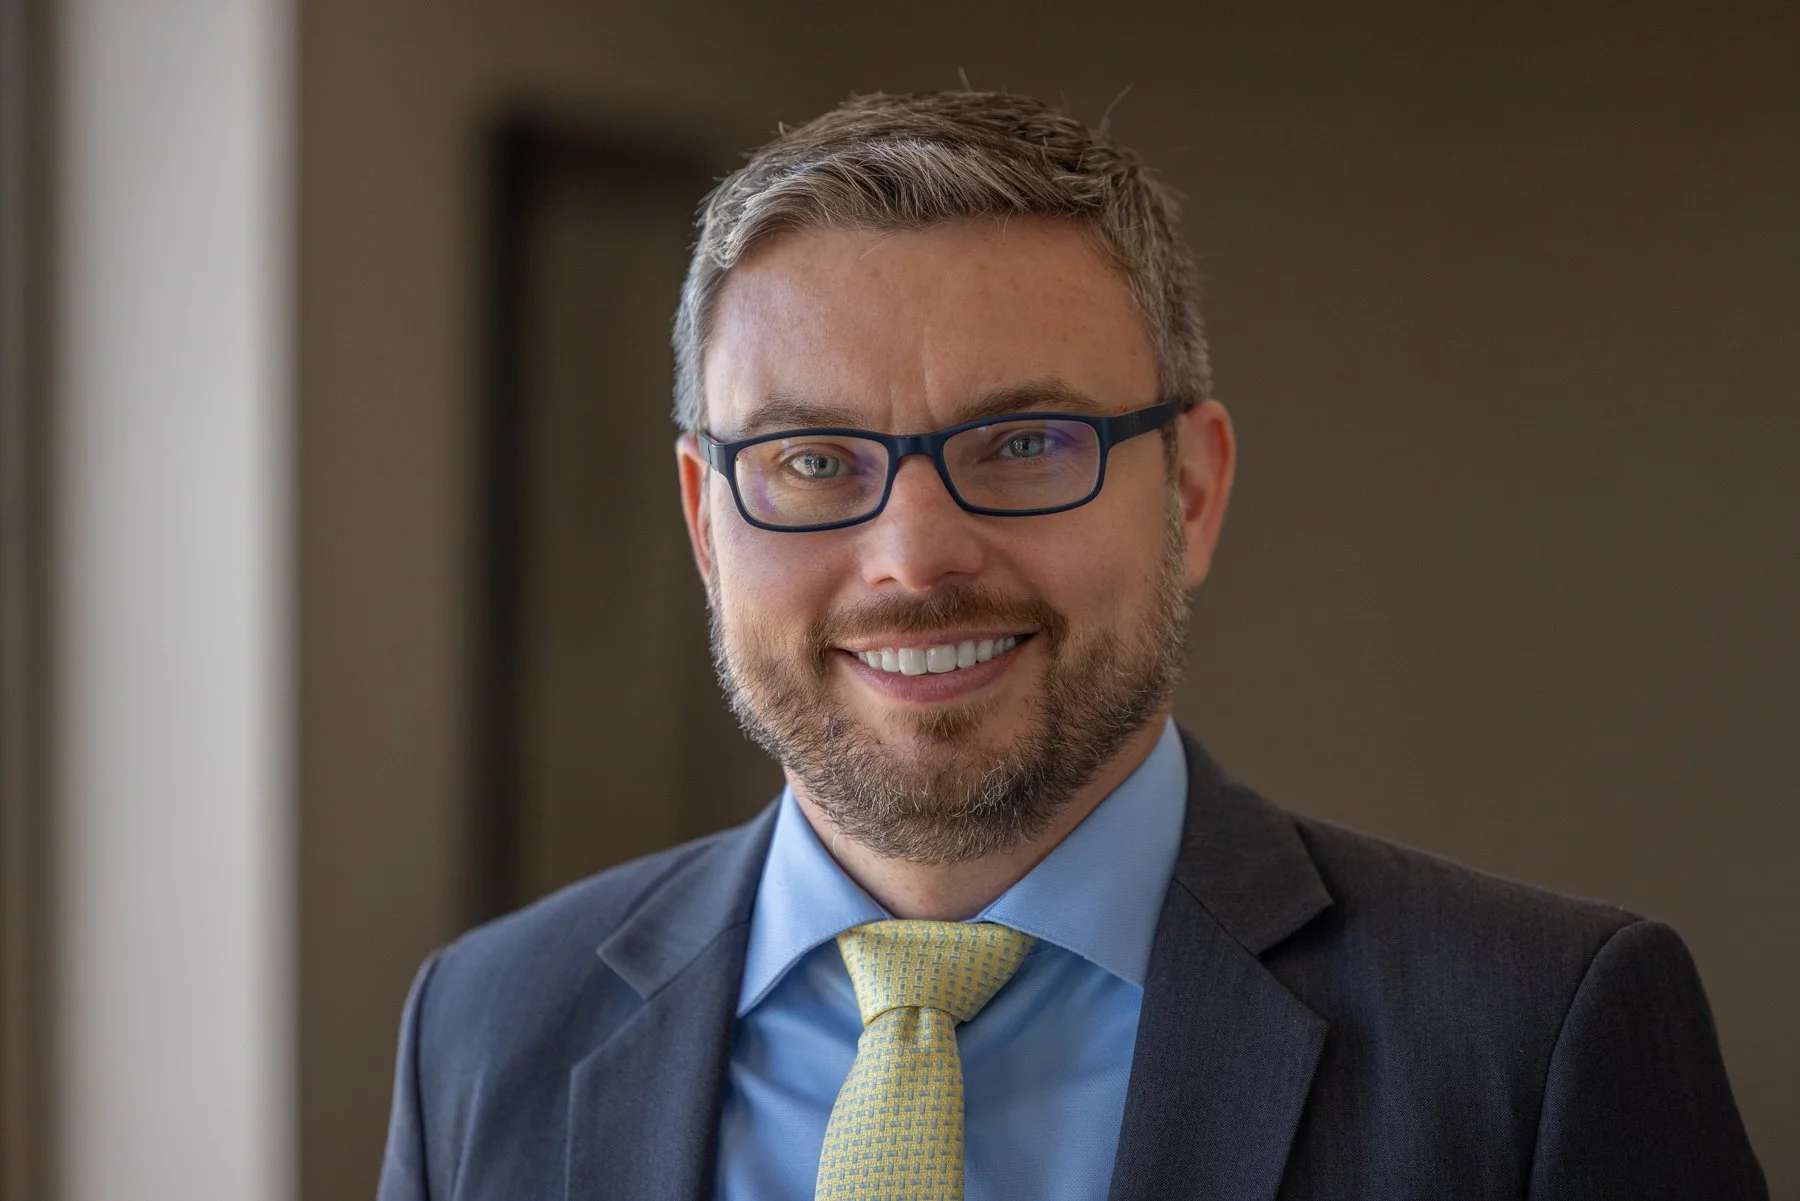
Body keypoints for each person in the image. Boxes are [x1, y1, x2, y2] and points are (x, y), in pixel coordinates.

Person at [376, 91, 1765, 1200]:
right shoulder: (485, 1030)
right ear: (704, 518)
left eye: (1026, 443)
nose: (914, 559)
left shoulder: (1537, 1042)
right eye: (810, 460)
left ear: (1193, 492)